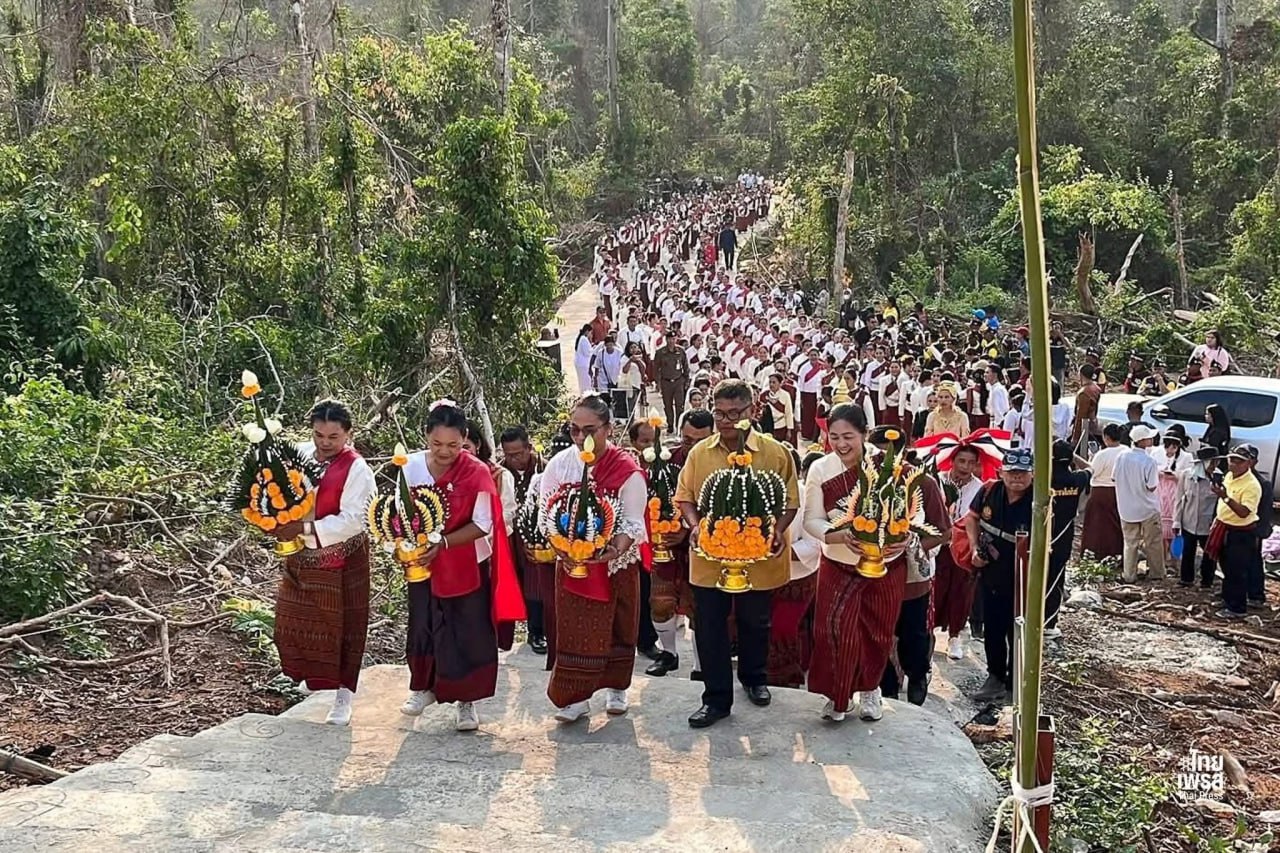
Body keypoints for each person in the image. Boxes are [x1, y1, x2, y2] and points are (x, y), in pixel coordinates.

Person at [805, 407, 949, 721]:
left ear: (865, 435)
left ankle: (871, 689)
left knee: (878, 630)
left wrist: (905, 536)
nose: (841, 444)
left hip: (885, 565)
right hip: (838, 564)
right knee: (833, 630)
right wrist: (838, 537)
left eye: (848, 437)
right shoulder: (820, 468)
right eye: (834, 437)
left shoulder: (891, 467)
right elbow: (811, 520)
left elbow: (915, 513)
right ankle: (837, 695)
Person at [675, 379, 800, 728]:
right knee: (710, 626)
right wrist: (697, 525)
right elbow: (684, 497)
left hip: (760, 557)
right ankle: (716, 698)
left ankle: (754, 677)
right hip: (710, 558)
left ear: (753, 411)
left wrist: (776, 528)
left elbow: (790, 501)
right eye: (720, 414)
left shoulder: (776, 453)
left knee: (755, 621)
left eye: (735, 413)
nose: (727, 421)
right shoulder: (700, 453)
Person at [402, 402, 525, 731]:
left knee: (466, 629)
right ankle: (422, 687)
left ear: (466, 439)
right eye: (437, 444)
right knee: (424, 622)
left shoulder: (475, 471)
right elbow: (397, 515)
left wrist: (441, 543)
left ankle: (466, 701)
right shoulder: (410, 467)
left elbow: (483, 523)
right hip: (421, 563)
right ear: (426, 436)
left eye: (454, 445)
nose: (445, 452)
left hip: (466, 561)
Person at [538, 394, 647, 722]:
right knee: (573, 630)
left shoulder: (627, 469)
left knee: (618, 624)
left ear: (608, 429)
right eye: (574, 430)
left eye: (590, 429)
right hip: (573, 565)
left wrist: (614, 549)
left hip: (615, 564)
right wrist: (564, 550)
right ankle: (574, 698)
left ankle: (616, 688)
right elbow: (546, 514)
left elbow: (633, 520)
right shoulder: (560, 464)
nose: (581, 437)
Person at [271, 399, 376, 726]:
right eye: (319, 435)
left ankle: (343, 697)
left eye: (333, 436)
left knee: (344, 626)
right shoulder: (297, 455)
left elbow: (355, 519)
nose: (325, 443)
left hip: (342, 555)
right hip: (301, 554)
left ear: (348, 434)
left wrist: (305, 528)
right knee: (292, 620)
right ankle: (314, 677)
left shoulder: (357, 468)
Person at [647, 409, 714, 678]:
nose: (692, 447)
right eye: (687, 440)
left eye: (700, 441)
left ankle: (700, 666)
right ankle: (668, 653)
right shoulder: (665, 459)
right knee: (660, 602)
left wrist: (687, 532)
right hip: (666, 546)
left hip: (705, 547)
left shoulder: (722, 462)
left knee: (700, 607)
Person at [965, 446, 1035, 703]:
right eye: (1012, 472)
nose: (1017, 478)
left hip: (1024, 575)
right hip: (991, 571)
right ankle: (994, 676)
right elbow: (971, 518)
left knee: (1018, 629)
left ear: (1032, 474)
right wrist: (974, 548)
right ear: (1001, 472)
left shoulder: (1039, 501)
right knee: (993, 627)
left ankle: (1016, 683)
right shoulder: (988, 491)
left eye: (1022, 473)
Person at [768, 449, 822, 688]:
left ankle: (788, 679)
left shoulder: (807, 496)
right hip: (763, 577)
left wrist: (775, 554)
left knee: (783, 629)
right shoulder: (759, 491)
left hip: (797, 577)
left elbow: (814, 543)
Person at [932, 443, 987, 660]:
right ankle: (929, 635)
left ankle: (954, 636)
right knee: (935, 589)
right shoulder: (938, 480)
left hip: (963, 547)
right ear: (952, 460)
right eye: (961, 461)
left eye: (971, 462)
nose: (965, 466)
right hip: (938, 544)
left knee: (961, 592)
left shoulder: (980, 487)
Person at [500, 426, 547, 654]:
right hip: (509, 538)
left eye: (518, 453)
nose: (514, 459)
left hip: (538, 536)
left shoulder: (545, 469)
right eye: (509, 454)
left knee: (536, 583)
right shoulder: (500, 473)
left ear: (529, 448)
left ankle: (537, 631)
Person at [1208, 444, 1262, 620]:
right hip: (1224, 527)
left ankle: (1237, 608)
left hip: (1241, 533)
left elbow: (1244, 512)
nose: (1233, 464)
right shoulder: (1230, 476)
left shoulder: (1252, 485)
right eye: (1232, 460)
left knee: (1236, 571)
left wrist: (1224, 496)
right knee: (1226, 567)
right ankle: (1227, 599)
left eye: (1239, 461)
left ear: (1248, 464)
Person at [1047, 440, 1090, 636]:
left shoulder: (1042, 479)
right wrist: (1074, 457)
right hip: (1064, 535)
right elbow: (1091, 468)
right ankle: (1049, 623)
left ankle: (1028, 617)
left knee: (1035, 575)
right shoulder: (1077, 479)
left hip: (1041, 533)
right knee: (1056, 578)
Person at [1114, 425, 1165, 583]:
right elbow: (1151, 486)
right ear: (1142, 441)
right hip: (1147, 508)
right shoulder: (1149, 461)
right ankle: (1156, 573)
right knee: (1153, 542)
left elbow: (1114, 477)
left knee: (1130, 543)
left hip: (1126, 507)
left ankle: (1129, 575)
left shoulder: (1121, 456)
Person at [1174, 446, 1220, 589]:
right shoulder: (1187, 475)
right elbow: (1179, 498)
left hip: (1208, 524)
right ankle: (1186, 579)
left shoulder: (1219, 477)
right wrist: (1176, 521)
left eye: (1215, 463)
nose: (1213, 466)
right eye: (1211, 463)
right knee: (1188, 551)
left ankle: (1207, 581)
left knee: (1209, 554)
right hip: (1189, 521)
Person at [1081, 423, 1127, 561]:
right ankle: (1116, 553)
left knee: (1097, 525)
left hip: (1101, 491)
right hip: (1120, 491)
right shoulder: (1126, 451)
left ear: (1106, 437)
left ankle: (1096, 553)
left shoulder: (1102, 454)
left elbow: (1093, 472)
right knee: (1115, 525)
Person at [1151, 425, 1193, 557]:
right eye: (1167, 446)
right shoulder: (1156, 453)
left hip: (1176, 492)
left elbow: (1189, 475)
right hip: (1160, 492)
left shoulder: (1187, 457)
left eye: (1173, 446)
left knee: (1175, 527)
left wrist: (1176, 476)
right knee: (1161, 528)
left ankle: (1175, 558)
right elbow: (1150, 470)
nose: (1170, 449)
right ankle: (1162, 557)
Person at [654, 333, 692, 427]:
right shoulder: (660, 352)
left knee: (680, 405)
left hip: (678, 381)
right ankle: (670, 424)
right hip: (666, 382)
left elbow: (685, 366)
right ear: (666, 340)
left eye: (673, 339)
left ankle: (678, 425)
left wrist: (686, 380)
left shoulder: (681, 351)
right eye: (669, 339)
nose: (671, 341)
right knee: (668, 405)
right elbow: (656, 369)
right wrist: (658, 383)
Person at [1071, 364, 1102, 448]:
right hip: (1092, 424)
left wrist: (1075, 438)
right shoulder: (1096, 388)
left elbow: (1080, 416)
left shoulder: (1084, 393)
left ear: (1080, 374)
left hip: (1085, 430)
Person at [573, 324, 594, 394]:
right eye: (591, 333)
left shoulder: (581, 338)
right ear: (587, 331)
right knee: (585, 383)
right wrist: (594, 349)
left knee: (582, 382)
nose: (591, 335)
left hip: (580, 364)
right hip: (583, 365)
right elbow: (587, 353)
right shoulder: (584, 339)